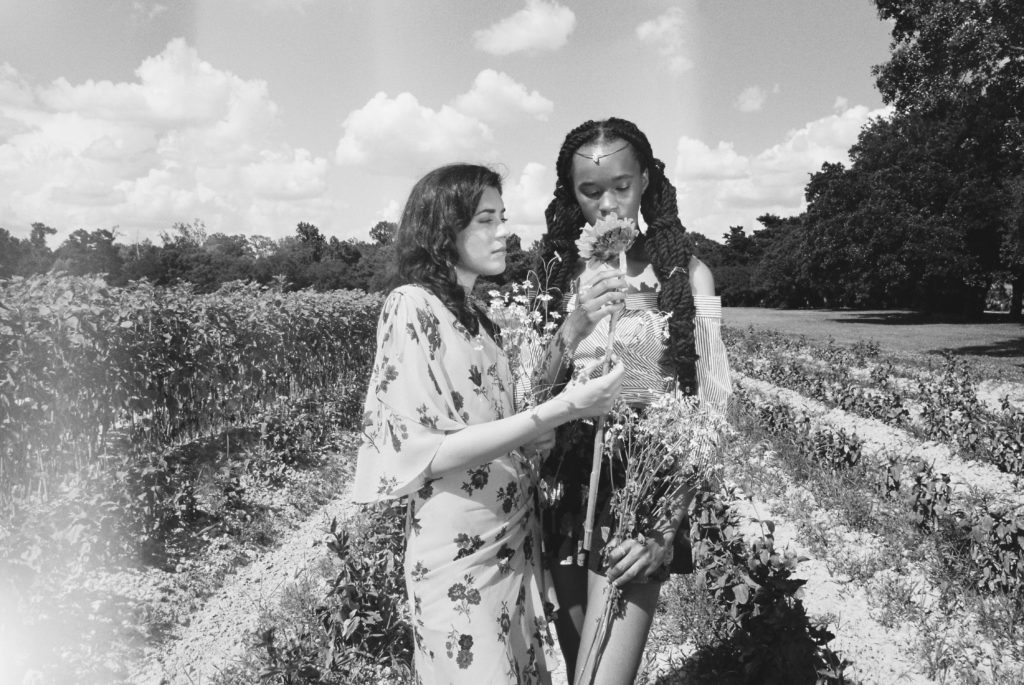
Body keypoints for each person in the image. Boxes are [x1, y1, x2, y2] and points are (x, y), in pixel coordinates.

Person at [352, 163, 626, 684]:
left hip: (512, 540)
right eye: (486, 220)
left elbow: (514, 418)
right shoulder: (411, 306)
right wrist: (562, 410)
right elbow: (428, 452)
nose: (503, 232)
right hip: (459, 553)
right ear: (443, 230)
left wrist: (577, 326)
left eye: (503, 217)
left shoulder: (481, 321)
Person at [533, 118, 733, 684]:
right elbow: (531, 397)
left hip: (641, 487)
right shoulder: (554, 277)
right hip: (563, 488)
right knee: (580, 666)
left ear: (645, 180)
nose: (607, 204)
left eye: (621, 186)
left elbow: (711, 408)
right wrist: (573, 324)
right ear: (571, 195)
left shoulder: (687, 275)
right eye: (589, 191)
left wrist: (665, 528)